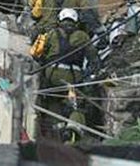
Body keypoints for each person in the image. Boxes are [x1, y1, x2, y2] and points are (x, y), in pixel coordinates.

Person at [31, 8, 100, 143]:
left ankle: (53, 132)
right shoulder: (82, 36)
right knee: (77, 106)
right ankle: (72, 130)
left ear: (60, 20)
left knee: (51, 103)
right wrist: (90, 75)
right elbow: (93, 59)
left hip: (51, 75)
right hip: (73, 78)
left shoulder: (51, 33)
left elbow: (39, 54)